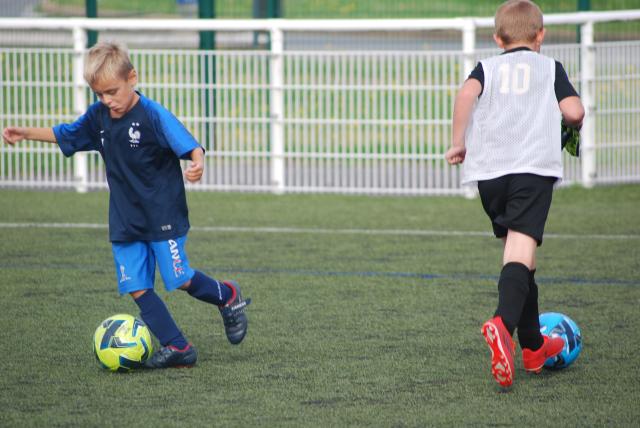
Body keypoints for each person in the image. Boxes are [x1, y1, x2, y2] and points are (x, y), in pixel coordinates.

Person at [2, 41, 251, 369]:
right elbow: (67, 134)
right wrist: (26, 133)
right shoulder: (99, 116)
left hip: (163, 213)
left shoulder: (152, 114)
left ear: (132, 78)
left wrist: (197, 161)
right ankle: (178, 347)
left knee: (179, 279)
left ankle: (227, 296)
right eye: (99, 94)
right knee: (136, 286)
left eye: (111, 91)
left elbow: (189, 144)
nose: (106, 100)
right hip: (125, 218)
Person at [445, 0, 584, 388]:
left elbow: (464, 95)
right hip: (530, 169)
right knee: (520, 252)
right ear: (540, 35)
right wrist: (577, 118)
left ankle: (534, 348)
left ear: (497, 38)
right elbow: (572, 111)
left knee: (522, 258)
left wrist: (458, 142)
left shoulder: (485, 67)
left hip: (489, 175)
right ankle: (502, 326)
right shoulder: (549, 66)